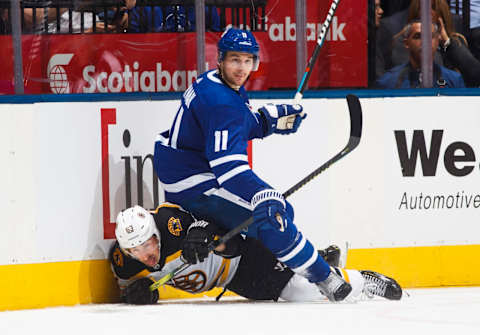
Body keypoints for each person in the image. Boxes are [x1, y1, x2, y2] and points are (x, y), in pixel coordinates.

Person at [153, 27, 358, 303]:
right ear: (221, 59)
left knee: (278, 213)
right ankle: (325, 276)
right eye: (235, 60)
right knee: (273, 220)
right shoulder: (221, 102)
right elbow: (228, 169)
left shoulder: (215, 83)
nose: (241, 68)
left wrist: (269, 120)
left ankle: (297, 260)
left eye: (247, 60)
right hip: (194, 186)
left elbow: (236, 126)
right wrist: (263, 193)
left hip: (189, 173)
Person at [109, 205, 403, 304]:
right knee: (292, 291)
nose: (146, 253)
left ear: (155, 233)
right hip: (234, 282)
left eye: (148, 243)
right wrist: (141, 295)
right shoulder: (123, 263)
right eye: (135, 250)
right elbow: (132, 289)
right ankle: (322, 259)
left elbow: (227, 240)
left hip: (242, 257)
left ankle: (363, 281)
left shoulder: (171, 224)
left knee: (300, 292)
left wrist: (210, 240)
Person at [376, 20, 465, 88]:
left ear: (437, 41)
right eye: (418, 37)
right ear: (406, 43)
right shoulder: (388, 82)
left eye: (430, 36)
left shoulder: (454, 80)